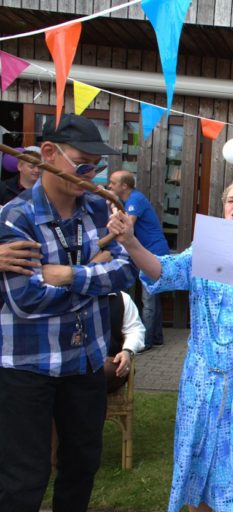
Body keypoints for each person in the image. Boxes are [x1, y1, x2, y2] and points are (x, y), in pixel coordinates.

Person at [108, 176, 233, 512]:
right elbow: (164, 273)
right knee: (198, 462)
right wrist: (131, 243)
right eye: (230, 199)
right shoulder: (206, 250)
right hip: (200, 378)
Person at [0, 113, 135, 512]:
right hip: (27, 366)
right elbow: (27, 298)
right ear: (48, 154)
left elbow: (127, 271)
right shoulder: (16, 217)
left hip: (86, 363)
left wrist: (64, 275)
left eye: (98, 167)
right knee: (23, 477)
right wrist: (95, 275)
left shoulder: (98, 209)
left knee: (81, 466)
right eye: (84, 165)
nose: (91, 176)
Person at [108, 170, 170, 350]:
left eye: (113, 183)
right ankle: (156, 337)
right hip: (147, 251)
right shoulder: (129, 200)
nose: (109, 186)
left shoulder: (135, 200)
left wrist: (110, 204)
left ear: (124, 186)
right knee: (152, 297)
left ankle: (146, 342)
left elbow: (126, 225)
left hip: (153, 253)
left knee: (148, 299)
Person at [103, 291, 146, 393]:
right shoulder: (68, 294)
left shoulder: (122, 298)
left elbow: (135, 330)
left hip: (109, 365)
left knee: (109, 369)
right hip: (71, 364)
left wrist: (127, 351)